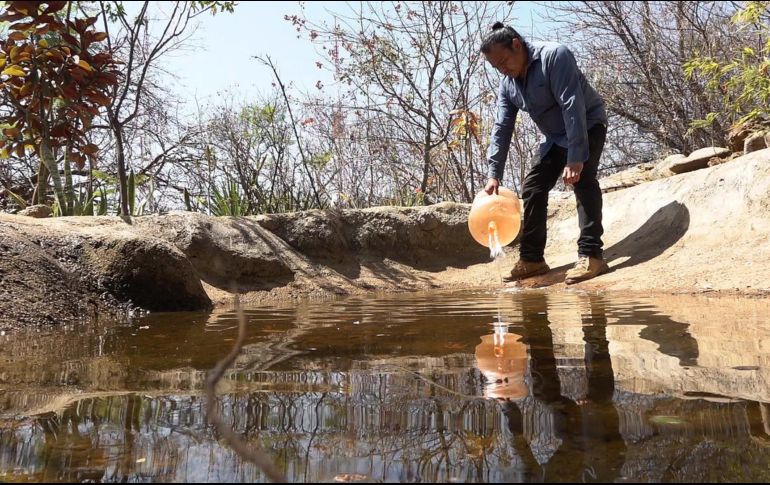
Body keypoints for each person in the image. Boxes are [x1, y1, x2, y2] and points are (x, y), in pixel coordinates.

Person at [481, 22, 609, 284]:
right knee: (533, 186)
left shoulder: (555, 55)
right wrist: (494, 174)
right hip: (554, 139)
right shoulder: (509, 84)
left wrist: (575, 157)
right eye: (497, 67)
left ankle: (591, 255)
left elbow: (572, 106)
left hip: (587, 124)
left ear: (516, 45)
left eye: (504, 61)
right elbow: (502, 127)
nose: (503, 70)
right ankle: (532, 259)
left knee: (583, 180)